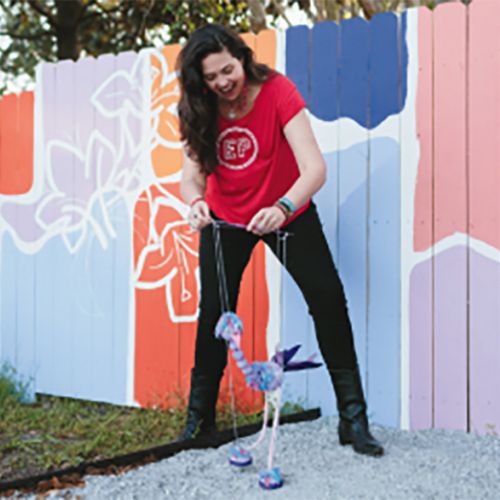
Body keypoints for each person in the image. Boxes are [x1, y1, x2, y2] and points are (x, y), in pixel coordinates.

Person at [175, 24, 383, 457]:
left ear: (241, 57)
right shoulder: (198, 106)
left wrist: (283, 207)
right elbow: (191, 178)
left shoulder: (277, 91)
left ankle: (353, 419)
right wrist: (195, 203)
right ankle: (199, 422)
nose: (222, 82)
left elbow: (314, 168)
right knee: (215, 312)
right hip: (225, 219)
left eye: (228, 70)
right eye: (211, 77)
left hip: (286, 210)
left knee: (328, 298)